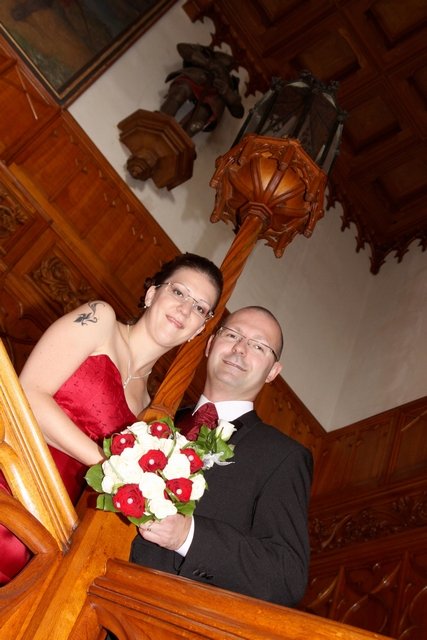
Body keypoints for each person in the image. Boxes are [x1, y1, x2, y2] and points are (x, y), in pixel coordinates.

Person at [0, 252, 223, 586]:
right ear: (152, 293)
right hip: (10, 480)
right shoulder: (100, 320)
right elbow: (29, 395)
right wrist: (116, 471)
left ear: (199, 329)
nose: (185, 309)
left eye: (200, 308)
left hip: (47, 525)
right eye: (178, 292)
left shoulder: (148, 412)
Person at [130, 306, 313, 608]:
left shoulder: (283, 457)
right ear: (210, 344)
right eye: (231, 335)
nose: (240, 348)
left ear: (272, 372)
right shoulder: (152, 419)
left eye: (258, 346)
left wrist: (188, 536)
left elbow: (286, 577)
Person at [159, 42, 244, 137]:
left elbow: (238, 112)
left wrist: (227, 92)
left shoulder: (231, 83)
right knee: (180, 92)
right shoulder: (206, 53)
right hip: (196, 79)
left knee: (199, 120)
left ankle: (181, 140)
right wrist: (207, 63)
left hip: (213, 98)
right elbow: (182, 48)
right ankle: (160, 121)